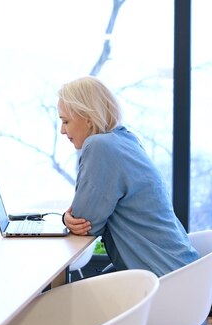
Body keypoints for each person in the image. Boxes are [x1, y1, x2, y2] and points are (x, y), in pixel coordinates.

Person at [58, 76, 198, 277]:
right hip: (181, 270)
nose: (63, 130)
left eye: (66, 121)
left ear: (86, 116)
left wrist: (66, 218)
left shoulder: (99, 146)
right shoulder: (126, 139)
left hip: (161, 278)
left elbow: (85, 223)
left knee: (57, 302)